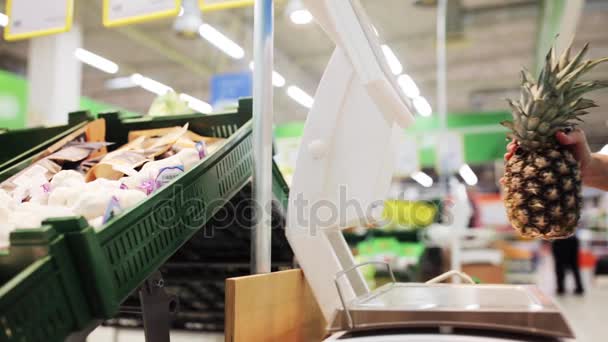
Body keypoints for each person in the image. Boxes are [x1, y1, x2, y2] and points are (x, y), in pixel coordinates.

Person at [504, 128, 608, 295]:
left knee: (567, 265)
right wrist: (587, 165)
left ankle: (571, 287)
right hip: (564, 238)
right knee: (565, 265)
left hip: (567, 237)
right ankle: (565, 287)